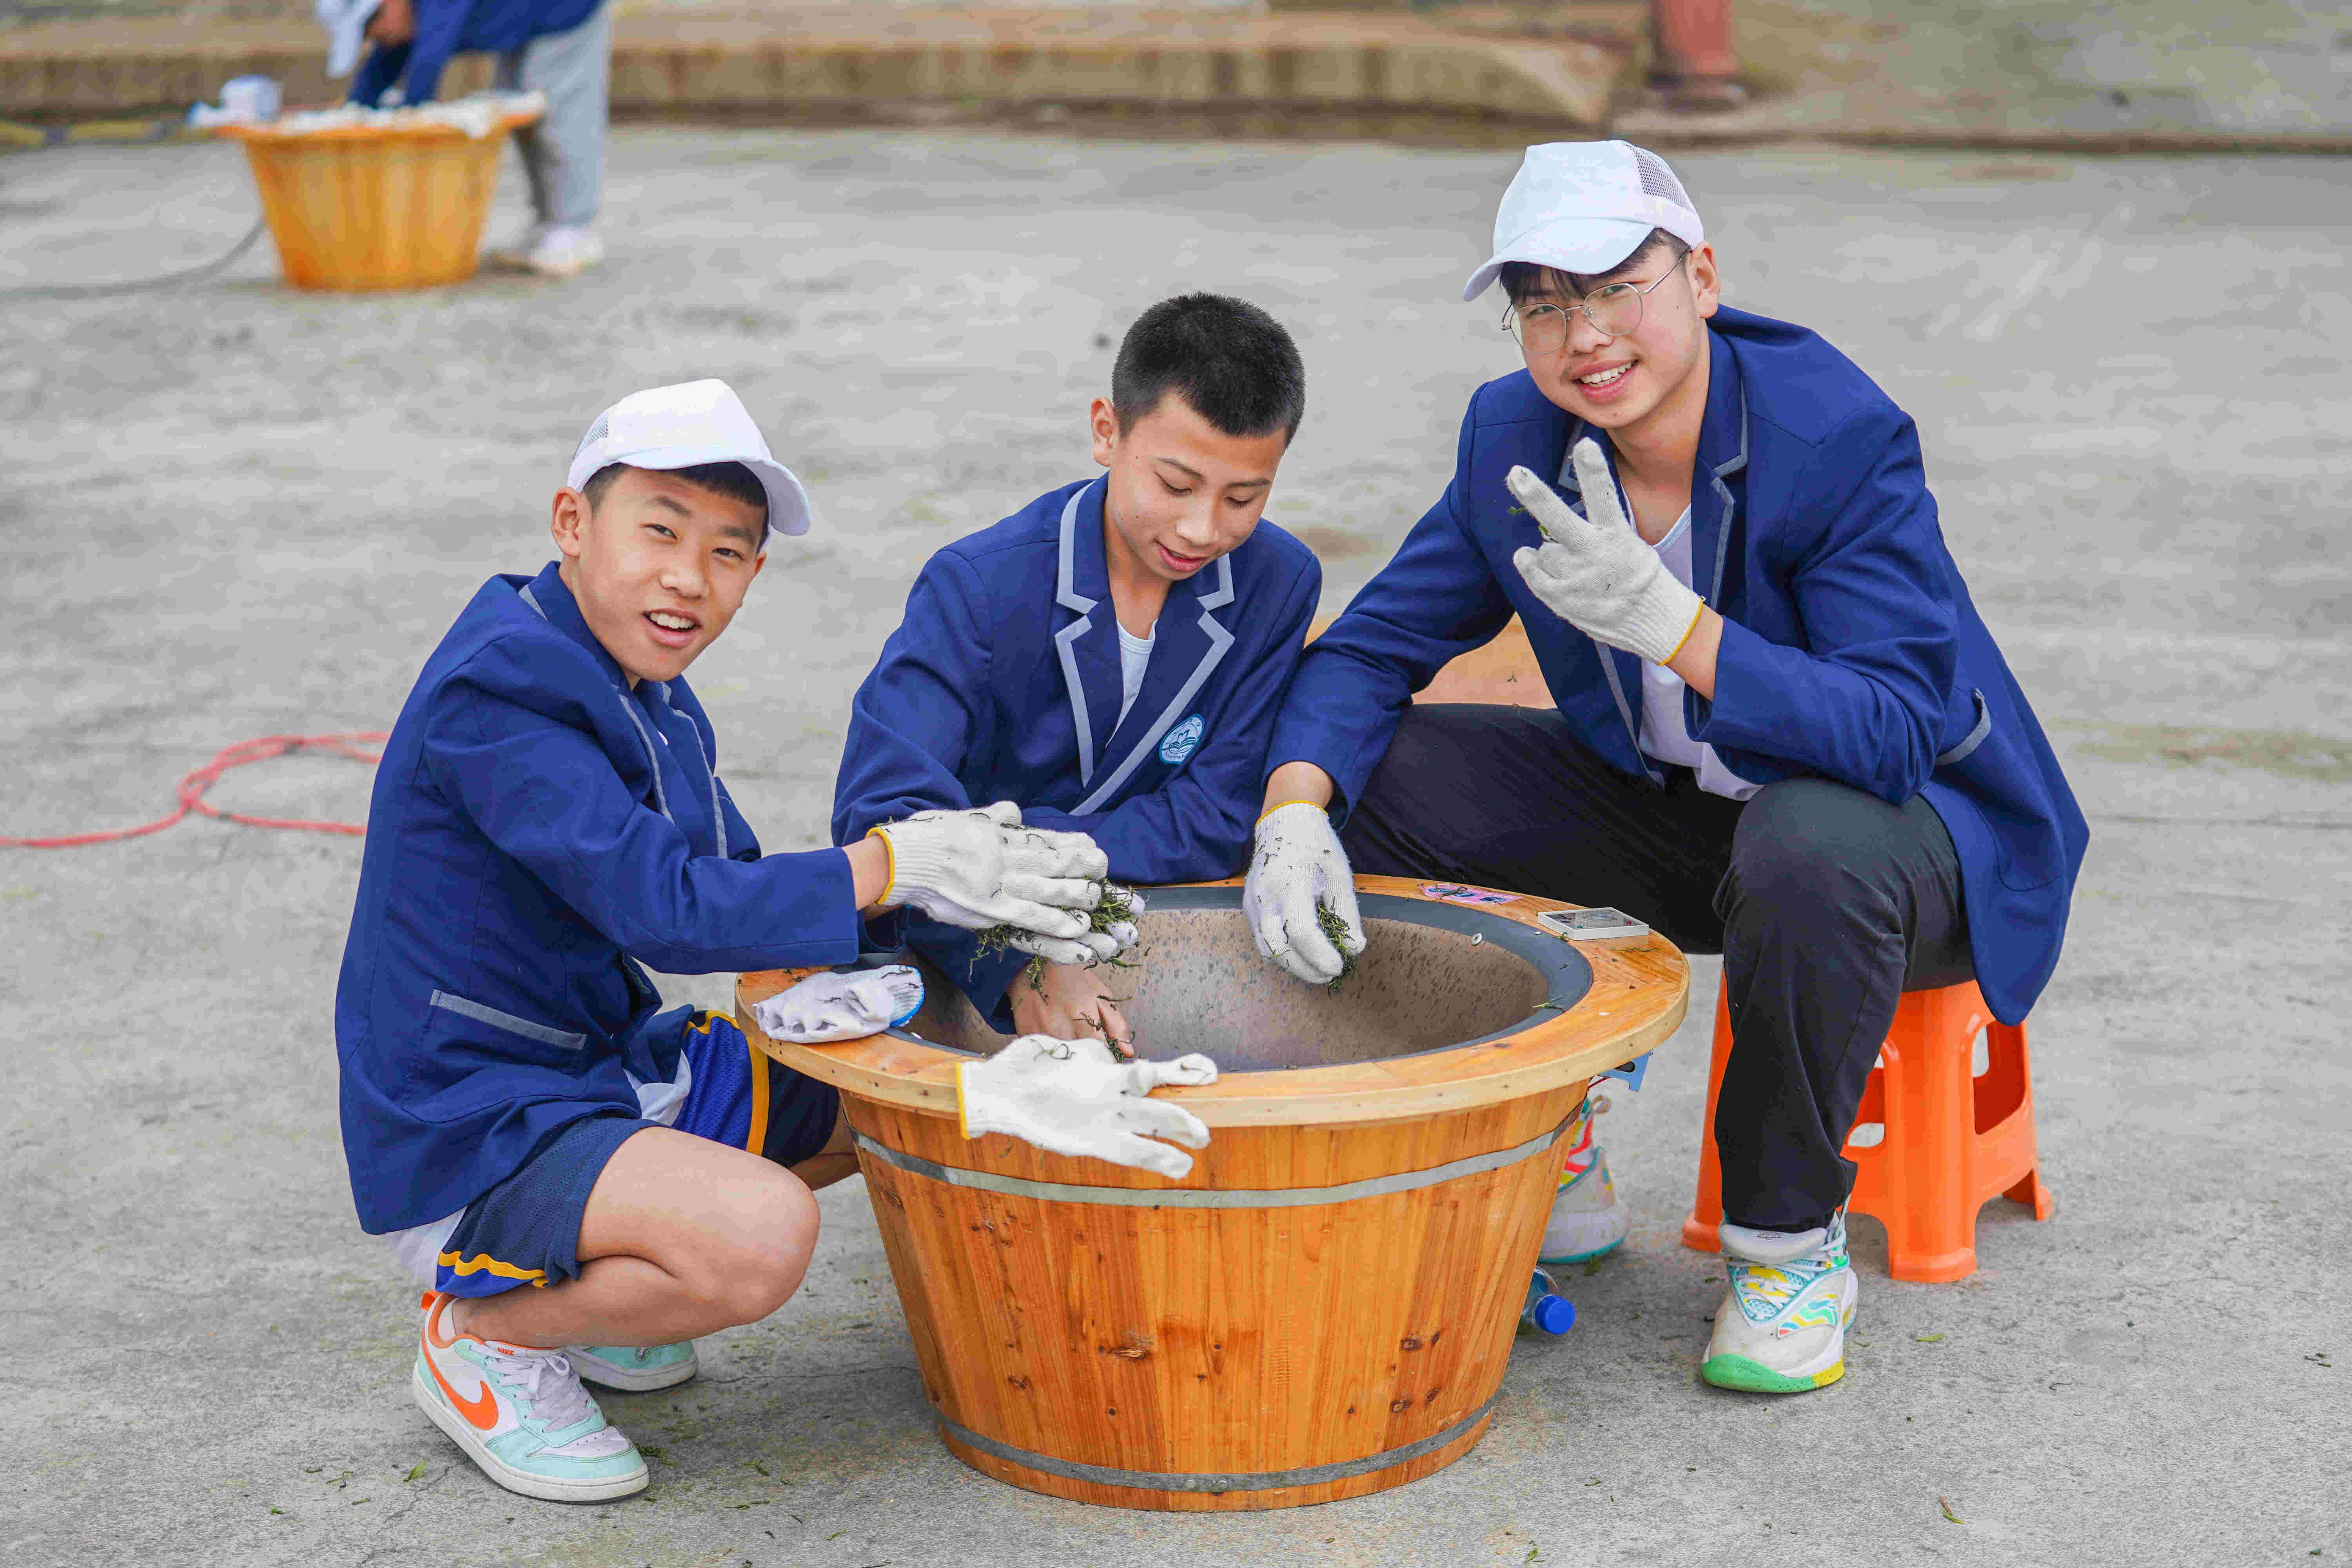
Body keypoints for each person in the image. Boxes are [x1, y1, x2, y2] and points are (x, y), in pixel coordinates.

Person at [1244, 141, 2087, 1394]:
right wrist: (1293, 811)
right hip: (1681, 813)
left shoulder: (1830, 435)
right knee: (1385, 773)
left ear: (1699, 276)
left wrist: (1673, 626)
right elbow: (1372, 650)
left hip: (1911, 840)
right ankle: (1542, 1128)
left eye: (1612, 287)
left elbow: (1892, 733)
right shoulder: (1511, 436)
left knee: (1810, 840)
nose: (1582, 333)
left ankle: (1784, 1245)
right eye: (1541, 302)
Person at [337, 379, 1117, 1501]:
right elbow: (667, 906)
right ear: (572, 524)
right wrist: (893, 862)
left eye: (731, 552)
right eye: (659, 530)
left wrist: (995, 935)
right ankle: (489, 1336)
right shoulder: (503, 689)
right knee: (761, 1238)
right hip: (470, 1115)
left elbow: (738, 886)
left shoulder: (644, 686)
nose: (689, 580)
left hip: (592, 1072)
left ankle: (595, 1299)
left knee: (889, 1099)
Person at [833, 294, 1322, 1047]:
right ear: (1106, 431)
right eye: (1176, 484)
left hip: (1132, 923)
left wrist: (996, 850)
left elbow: (1217, 819)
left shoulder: (1278, 580)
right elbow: (883, 818)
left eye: (1243, 497)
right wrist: (1013, 948)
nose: (1202, 528)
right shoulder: (978, 585)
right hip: (945, 945)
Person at [318, 0, 612, 277]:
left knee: (560, 110)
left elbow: (429, 59)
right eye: (366, 33)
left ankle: (574, 229)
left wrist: (407, 117)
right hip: (525, 19)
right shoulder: (405, 18)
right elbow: (383, 66)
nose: (376, 35)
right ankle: (549, 223)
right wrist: (350, 116)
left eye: (372, 21)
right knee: (522, 112)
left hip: (566, 8)